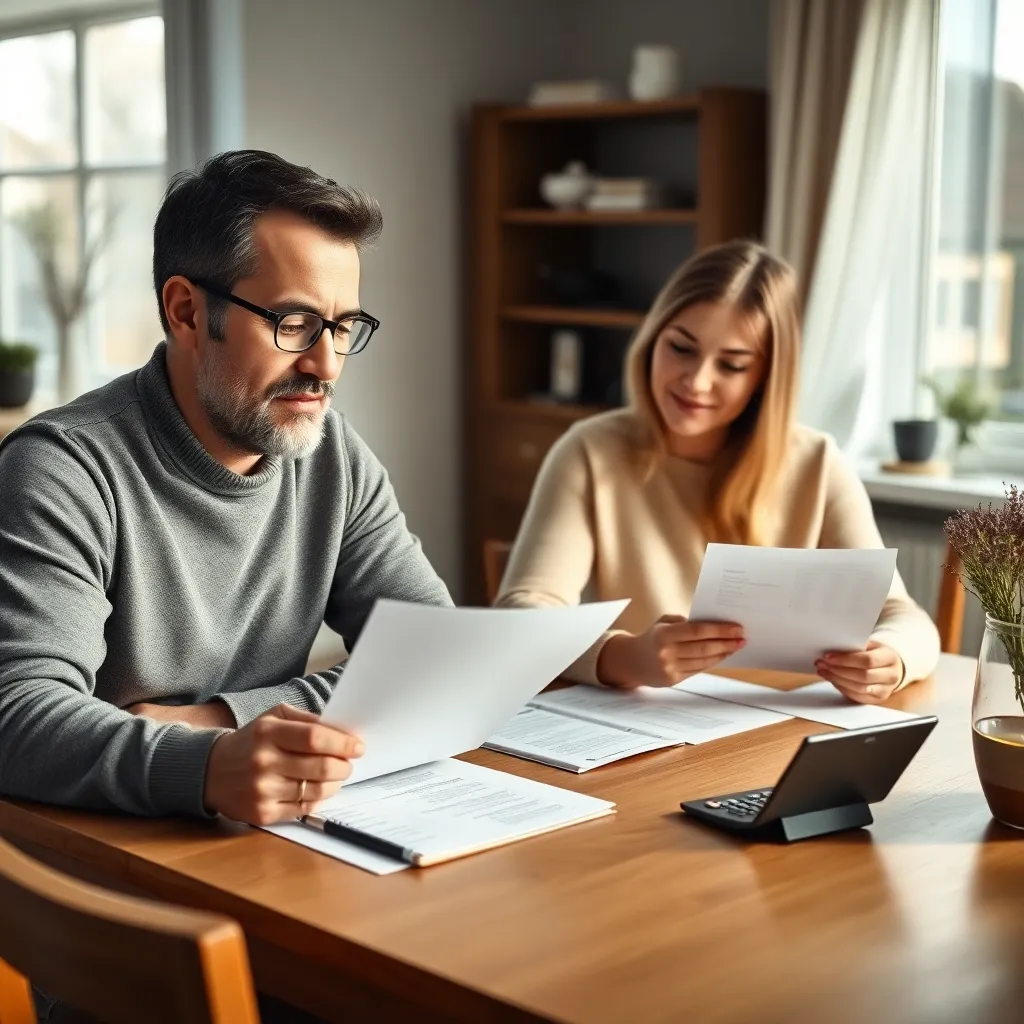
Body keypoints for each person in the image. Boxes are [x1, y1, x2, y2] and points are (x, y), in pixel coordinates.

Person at [0, 149, 452, 828]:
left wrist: (217, 722)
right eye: (293, 322)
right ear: (185, 312)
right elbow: (17, 717)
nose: (324, 364)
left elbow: (435, 655)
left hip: (272, 842)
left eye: (343, 326)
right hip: (101, 870)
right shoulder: (62, 468)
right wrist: (208, 765)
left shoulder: (333, 456)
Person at [496, 240, 940, 703]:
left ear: (764, 379)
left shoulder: (817, 463)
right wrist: (628, 657)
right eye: (681, 348)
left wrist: (891, 658)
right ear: (652, 341)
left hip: (781, 726)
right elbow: (524, 615)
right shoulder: (590, 451)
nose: (697, 380)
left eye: (731, 364)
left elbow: (902, 614)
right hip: (644, 731)